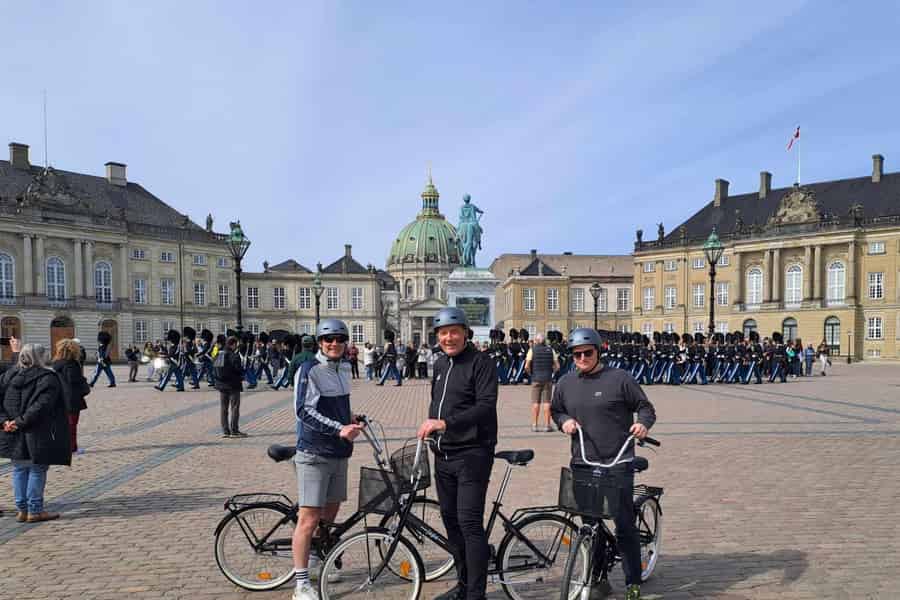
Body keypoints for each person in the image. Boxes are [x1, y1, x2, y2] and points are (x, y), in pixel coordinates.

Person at [550, 328, 656, 600]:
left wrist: (642, 424)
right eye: (577, 354)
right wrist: (564, 422)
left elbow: (645, 407)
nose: (582, 357)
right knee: (590, 524)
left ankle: (633, 582)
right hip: (583, 461)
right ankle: (598, 577)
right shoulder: (565, 383)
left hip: (617, 460)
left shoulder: (620, 379)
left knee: (623, 523)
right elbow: (556, 410)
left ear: (598, 352)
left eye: (588, 352)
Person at [417, 308, 498, 600]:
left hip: (472, 454)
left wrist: (445, 423)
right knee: (451, 522)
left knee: (469, 524)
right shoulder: (439, 364)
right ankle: (463, 584)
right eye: (443, 333)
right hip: (444, 455)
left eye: (454, 331)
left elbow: (486, 406)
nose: (448, 337)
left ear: (465, 332)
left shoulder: (481, 362)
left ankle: (476, 594)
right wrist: (433, 427)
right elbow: (438, 403)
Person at [291, 319, 363, 600]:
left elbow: (335, 406)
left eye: (339, 339)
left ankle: (318, 560)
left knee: (329, 517)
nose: (334, 344)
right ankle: (301, 584)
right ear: (320, 343)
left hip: (339, 453)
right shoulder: (309, 369)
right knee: (308, 520)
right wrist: (339, 428)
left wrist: (350, 418)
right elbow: (303, 411)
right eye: (328, 339)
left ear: (346, 343)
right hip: (315, 453)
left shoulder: (343, 368)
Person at [0, 343, 71, 523]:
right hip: (36, 431)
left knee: (19, 469)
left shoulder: (9, 375)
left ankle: (22, 510)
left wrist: (6, 422)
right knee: (37, 469)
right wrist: (18, 422)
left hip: (12, 430)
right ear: (41, 357)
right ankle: (34, 510)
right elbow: (41, 407)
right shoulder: (48, 378)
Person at [52, 339, 91, 455]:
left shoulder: (57, 363)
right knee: (72, 425)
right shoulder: (71, 364)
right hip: (71, 399)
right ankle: (71, 448)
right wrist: (83, 382)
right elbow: (74, 380)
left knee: (63, 425)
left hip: (60, 398)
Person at [524, 333, 559, 432]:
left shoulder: (532, 350)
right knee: (547, 403)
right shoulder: (551, 350)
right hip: (548, 378)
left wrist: (531, 373)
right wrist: (552, 373)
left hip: (536, 378)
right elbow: (557, 366)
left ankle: (535, 425)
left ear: (536, 341)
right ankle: (547, 425)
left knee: (535, 403)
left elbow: (526, 366)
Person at [214, 336, 246, 438]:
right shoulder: (234, 356)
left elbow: (215, 370)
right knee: (234, 408)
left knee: (223, 408)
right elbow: (239, 370)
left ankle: (225, 430)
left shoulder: (219, 354)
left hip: (222, 385)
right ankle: (234, 430)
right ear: (233, 344)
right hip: (233, 385)